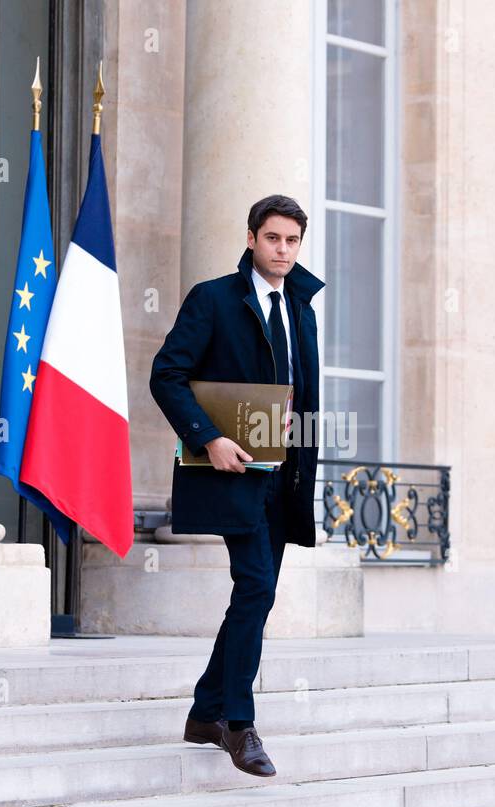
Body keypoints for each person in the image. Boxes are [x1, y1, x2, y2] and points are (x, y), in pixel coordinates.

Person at [149, 194, 324, 776]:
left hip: (285, 473)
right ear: (252, 238)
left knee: (259, 593)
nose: (282, 250)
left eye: (292, 241)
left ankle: (205, 711)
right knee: (254, 587)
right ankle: (238, 723)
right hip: (231, 469)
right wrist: (208, 437)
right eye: (273, 238)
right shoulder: (214, 299)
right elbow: (166, 375)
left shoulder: (303, 309)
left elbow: (304, 394)